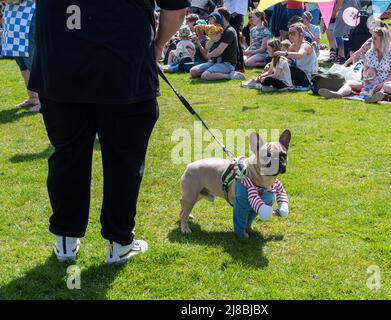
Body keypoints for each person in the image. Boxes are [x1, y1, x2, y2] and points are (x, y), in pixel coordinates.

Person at [29, 0, 190, 264]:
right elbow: (176, 10)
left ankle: (67, 240)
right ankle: (118, 241)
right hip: (122, 67)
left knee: (68, 157)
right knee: (123, 162)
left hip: (62, 68)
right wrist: (158, 43)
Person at [319, 27, 391, 103]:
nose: (372, 40)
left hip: (385, 84)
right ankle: (338, 94)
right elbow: (365, 71)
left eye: (375, 38)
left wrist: (380, 85)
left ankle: (377, 96)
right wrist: (366, 78)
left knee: (387, 86)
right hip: (369, 84)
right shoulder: (371, 52)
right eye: (372, 37)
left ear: (383, 40)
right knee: (349, 82)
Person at [1, 0, 40, 112]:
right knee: (21, 61)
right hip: (12, 16)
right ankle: (33, 98)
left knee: (32, 59)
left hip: (28, 14)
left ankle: (43, 101)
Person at [190, 9, 245, 80]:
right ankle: (215, 73)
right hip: (214, 62)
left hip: (226, 64)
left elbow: (219, 50)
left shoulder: (229, 31)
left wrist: (208, 55)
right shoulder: (216, 30)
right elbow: (207, 47)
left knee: (205, 76)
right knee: (193, 71)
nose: (212, 20)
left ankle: (230, 75)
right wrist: (212, 38)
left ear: (222, 17)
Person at [274, 22, 318, 87]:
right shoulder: (294, 45)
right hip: (300, 73)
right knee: (281, 66)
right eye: (289, 33)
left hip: (308, 78)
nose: (290, 35)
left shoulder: (305, 45)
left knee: (286, 68)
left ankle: (275, 81)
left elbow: (299, 55)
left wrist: (283, 53)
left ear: (301, 34)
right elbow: (287, 58)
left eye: (293, 33)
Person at [223, 0, 248, 72]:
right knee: (234, 41)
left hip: (235, 14)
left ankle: (239, 66)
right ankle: (238, 66)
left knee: (235, 41)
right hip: (232, 13)